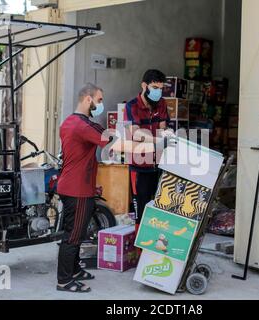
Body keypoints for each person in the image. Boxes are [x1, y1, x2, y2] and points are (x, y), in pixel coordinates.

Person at [56, 83, 162, 293]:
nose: (101, 104)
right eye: (100, 100)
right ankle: (64, 280)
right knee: (73, 235)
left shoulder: (70, 121)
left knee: (78, 231)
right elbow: (117, 143)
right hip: (77, 189)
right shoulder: (83, 125)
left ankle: (75, 270)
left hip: (73, 185)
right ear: (88, 99)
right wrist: (157, 146)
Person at [124, 69, 174, 234]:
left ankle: (155, 250)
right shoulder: (131, 106)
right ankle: (139, 253)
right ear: (144, 86)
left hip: (159, 165)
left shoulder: (162, 104)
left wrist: (167, 134)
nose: (158, 92)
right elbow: (136, 133)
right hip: (139, 167)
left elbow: (162, 127)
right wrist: (159, 140)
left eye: (160, 88)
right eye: (154, 87)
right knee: (141, 210)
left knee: (159, 208)